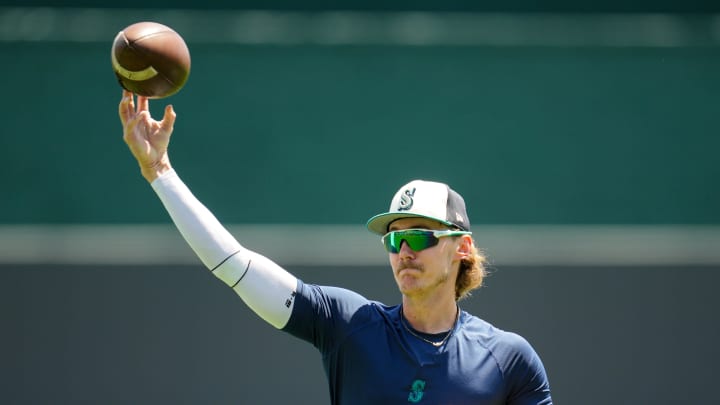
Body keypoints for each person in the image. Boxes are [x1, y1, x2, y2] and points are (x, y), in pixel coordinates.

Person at [118, 90, 553, 404]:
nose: (404, 250)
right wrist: (159, 170)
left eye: (420, 235)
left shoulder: (508, 359)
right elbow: (234, 264)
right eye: (394, 237)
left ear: (462, 248)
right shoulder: (349, 326)